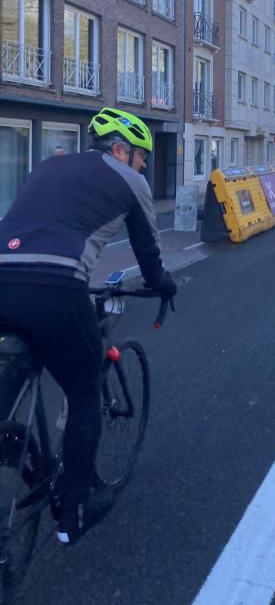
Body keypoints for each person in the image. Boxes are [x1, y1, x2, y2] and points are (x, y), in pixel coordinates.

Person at [0, 107, 177, 546]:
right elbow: (148, 252)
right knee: (83, 388)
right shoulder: (131, 182)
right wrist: (163, 287)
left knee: (24, 358)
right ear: (120, 150)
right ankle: (74, 510)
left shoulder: (49, 165)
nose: (142, 167)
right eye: (140, 158)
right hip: (57, 284)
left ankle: (8, 436)